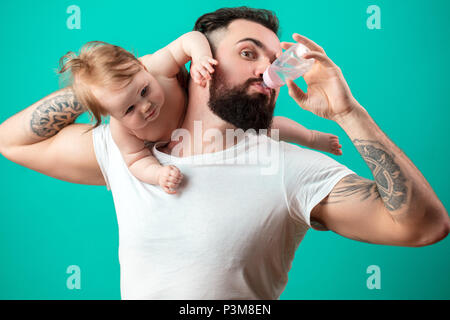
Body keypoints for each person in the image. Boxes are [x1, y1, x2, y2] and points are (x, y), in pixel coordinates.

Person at [0, 7, 448, 299]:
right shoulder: (127, 145)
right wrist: (106, 85)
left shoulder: (291, 168)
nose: (266, 69)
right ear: (197, 61)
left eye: (275, 59)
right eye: (249, 52)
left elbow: (425, 227)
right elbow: (11, 139)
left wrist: (350, 114)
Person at [57, 36, 343, 194]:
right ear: (110, 115)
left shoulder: (156, 66)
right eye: (129, 109)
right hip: (188, 141)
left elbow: (189, 40)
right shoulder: (122, 131)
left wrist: (200, 57)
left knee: (267, 126)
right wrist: (157, 174)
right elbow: (135, 160)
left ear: (141, 67)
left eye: (144, 91)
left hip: (206, 114)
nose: (145, 107)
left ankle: (311, 137)